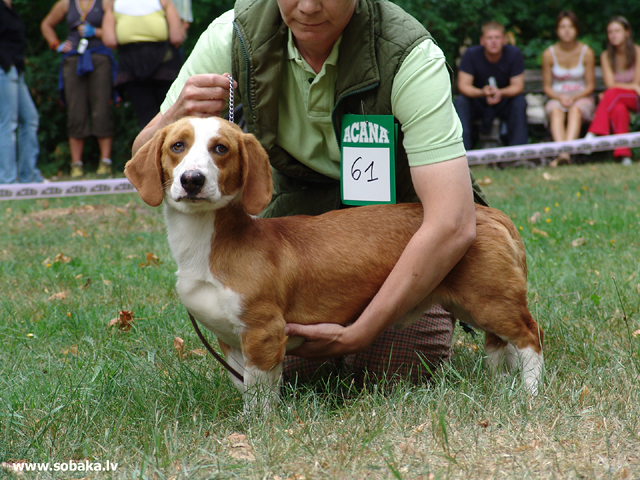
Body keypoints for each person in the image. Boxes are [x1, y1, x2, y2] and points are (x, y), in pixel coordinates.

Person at [132, 0, 488, 385]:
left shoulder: (410, 54)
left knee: (395, 366)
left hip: (399, 233)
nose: (307, 6)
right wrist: (176, 113)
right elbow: (147, 155)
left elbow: (451, 222)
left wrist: (361, 331)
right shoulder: (233, 35)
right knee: (286, 361)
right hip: (296, 236)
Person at [41, 0, 116, 178]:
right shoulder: (66, 4)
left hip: (100, 57)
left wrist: (96, 32)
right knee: (76, 109)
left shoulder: (106, 3)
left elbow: (116, 31)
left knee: (102, 109)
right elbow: (46, 24)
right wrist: (55, 44)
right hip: (74, 58)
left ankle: (105, 162)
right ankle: (77, 164)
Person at [101, 0, 184, 130]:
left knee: (147, 120)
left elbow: (110, 40)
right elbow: (177, 37)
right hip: (162, 65)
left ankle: (152, 146)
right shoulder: (163, 1)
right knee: (171, 115)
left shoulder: (113, 3)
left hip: (132, 65)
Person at [454, 21, 529, 151]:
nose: (493, 42)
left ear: (504, 40)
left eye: (497, 38)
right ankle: (462, 151)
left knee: (519, 102)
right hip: (478, 101)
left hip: (504, 101)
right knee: (461, 102)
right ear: (482, 41)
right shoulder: (471, 54)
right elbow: (463, 86)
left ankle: (519, 152)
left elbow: (518, 86)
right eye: (489, 38)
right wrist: (482, 93)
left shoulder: (514, 54)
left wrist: (501, 93)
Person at [541, 11, 595, 167]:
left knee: (575, 111)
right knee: (556, 111)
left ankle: (565, 154)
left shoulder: (587, 52)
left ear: (576, 29)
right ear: (557, 30)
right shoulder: (548, 54)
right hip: (557, 97)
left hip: (581, 97)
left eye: (570, 26)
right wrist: (560, 98)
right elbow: (546, 86)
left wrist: (575, 97)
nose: (566, 30)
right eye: (562, 26)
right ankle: (563, 154)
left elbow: (590, 85)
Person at [585, 16, 640, 166]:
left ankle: (594, 132)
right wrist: (628, 87)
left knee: (610, 94)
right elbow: (610, 84)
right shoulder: (606, 56)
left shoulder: (637, 51)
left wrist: (621, 88)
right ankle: (624, 155)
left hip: (636, 99)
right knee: (618, 109)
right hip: (618, 98)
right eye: (610, 32)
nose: (613, 35)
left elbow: (637, 83)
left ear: (627, 32)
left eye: (617, 31)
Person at [0, 0, 44, 184]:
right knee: (7, 123)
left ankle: (29, 176)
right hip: (4, 68)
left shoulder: (10, 9)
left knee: (30, 118)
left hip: (16, 71)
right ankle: (7, 179)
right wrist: (6, 64)